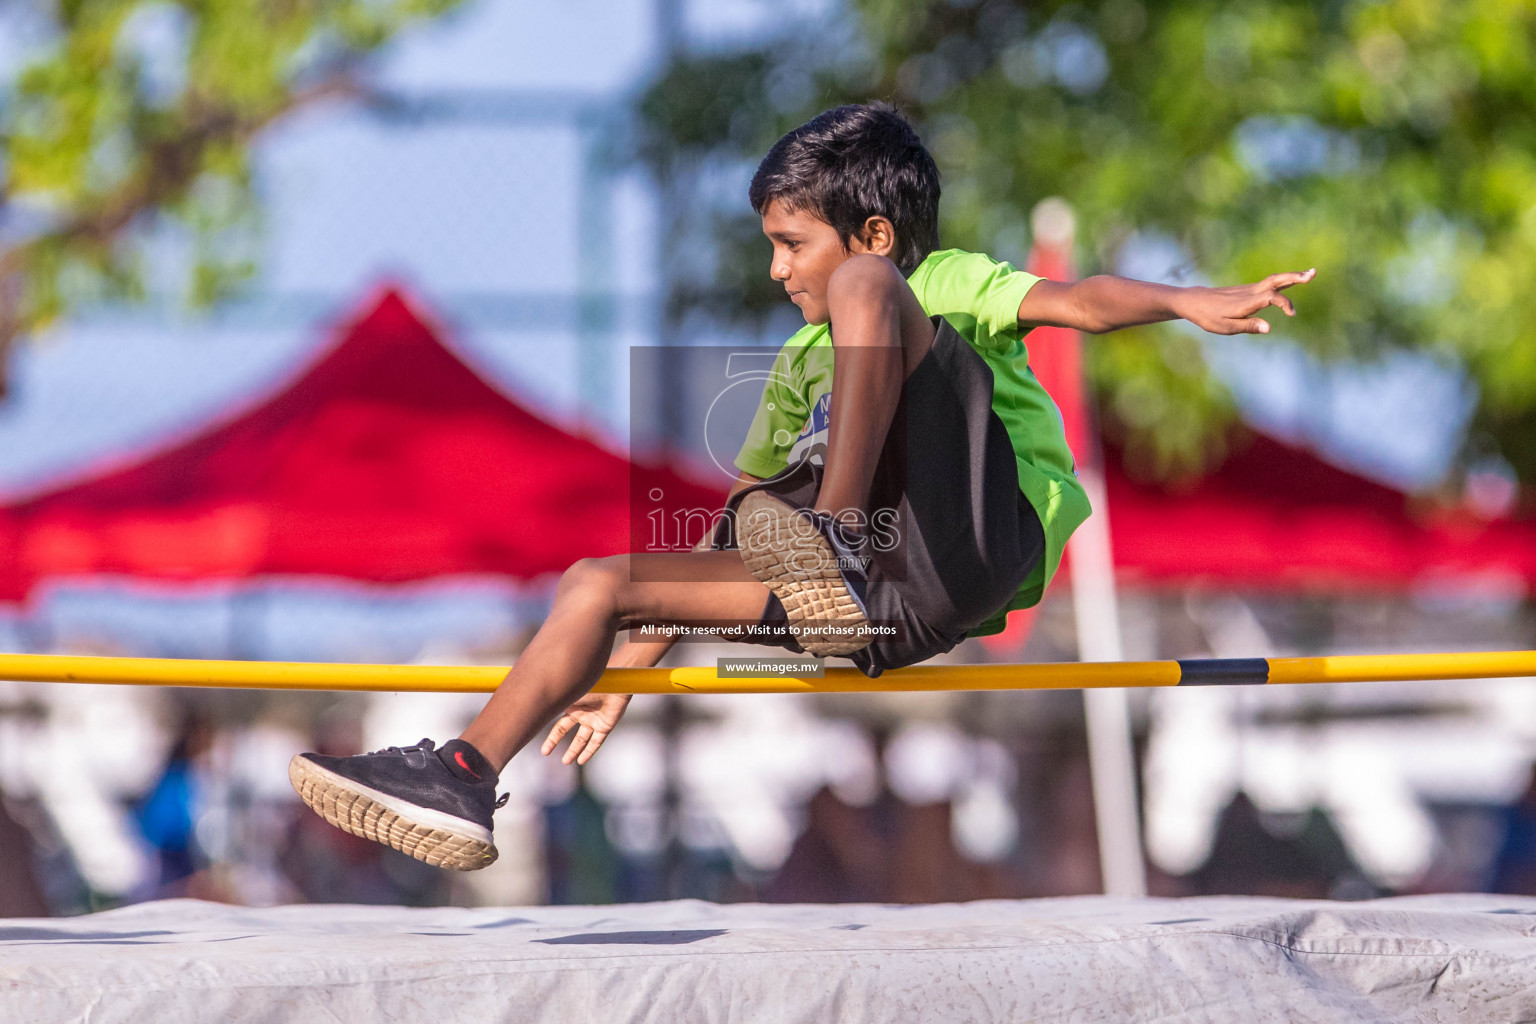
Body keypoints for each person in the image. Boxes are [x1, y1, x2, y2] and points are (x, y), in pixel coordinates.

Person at [289, 102, 1314, 871]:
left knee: (869, 323)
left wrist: (1185, 300)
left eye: (792, 245)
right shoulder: (797, 366)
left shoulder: (931, 279)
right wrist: (625, 672)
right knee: (603, 578)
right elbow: (726, 524)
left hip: (968, 540)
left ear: (869, 229)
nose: (779, 271)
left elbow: (1079, 301)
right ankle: (464, 777)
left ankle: (831, 534)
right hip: (875, 610)